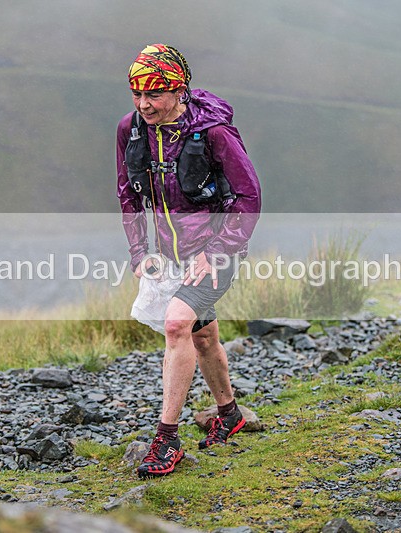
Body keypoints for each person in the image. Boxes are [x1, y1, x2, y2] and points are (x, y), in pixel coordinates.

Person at [116, 44, 261, 478]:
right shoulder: (131, 129)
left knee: (177, 325)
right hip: (167, 257)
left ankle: (167, 439)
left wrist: (218, 253)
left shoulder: (213, 132)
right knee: (202, 336)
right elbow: (127, 193)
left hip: (215, 254)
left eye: (154, 95)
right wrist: (140, 252)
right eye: (137, 96)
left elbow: (249, 198)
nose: (144, 105)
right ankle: (230, 413)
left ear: (178, 89)